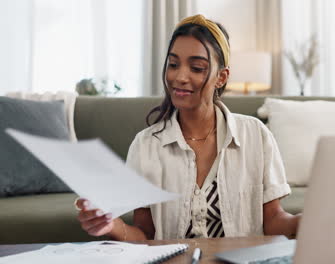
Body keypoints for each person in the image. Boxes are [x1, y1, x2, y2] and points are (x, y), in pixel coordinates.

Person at [75, 14, 300, 240]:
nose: (180, 77)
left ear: (221, 77)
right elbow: (145, 235)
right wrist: (111, 226)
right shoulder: (146, 146)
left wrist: (304, 221)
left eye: (196, 68)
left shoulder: (255, 135)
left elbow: (273, 222)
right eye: (173, 64)